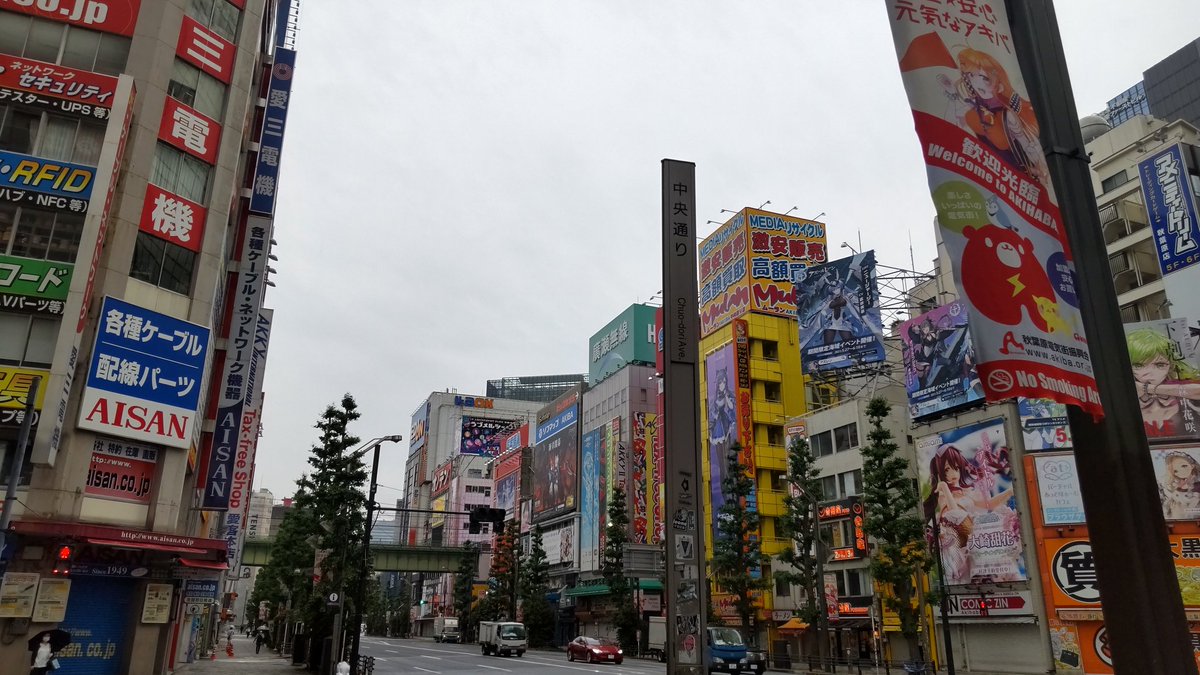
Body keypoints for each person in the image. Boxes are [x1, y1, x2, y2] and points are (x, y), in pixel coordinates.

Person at [938, 47, 1050, 189]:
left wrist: (1040, 167)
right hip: (991, 181)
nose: (977, 83)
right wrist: (953, 97)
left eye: (984, 78)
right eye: (971, 76)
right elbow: (951, 131)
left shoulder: (1008, 114)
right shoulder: (972, 111)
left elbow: (1027, 145)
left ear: (998, 80)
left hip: (1017, 182)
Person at [1128, 327, 1200, 440]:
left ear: (1170, 364)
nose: (1150, 373)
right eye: (1138, 365)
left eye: (1160, 365)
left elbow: (1196, 390)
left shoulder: (1179, 384)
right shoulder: (1122, 389)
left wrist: (1148, 388)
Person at [1159, 451, 1200, 520]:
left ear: (1192, 466)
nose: (1181, 472)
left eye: (1184, 466)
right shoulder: (1177, 486)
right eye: (1175, 471)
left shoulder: (1197, 485)